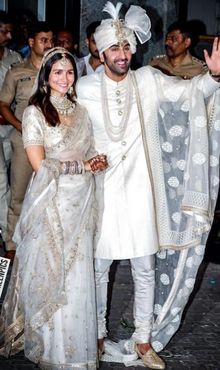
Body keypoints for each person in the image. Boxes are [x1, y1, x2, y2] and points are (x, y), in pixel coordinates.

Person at [76, 2, 220, 369]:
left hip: (141, 193)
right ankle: (97, 335)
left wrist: (212, 78)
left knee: (144, 269)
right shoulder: (83, 88)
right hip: (100, 191)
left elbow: (187, 94)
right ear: (99, 50)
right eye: (114, 48)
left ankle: (144, 341)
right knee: (99, 269)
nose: (122, 54)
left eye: (127, 46)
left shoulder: (147, 79)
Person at [0, 46, 108, 369]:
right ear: (46, 76)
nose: (64, 77)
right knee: (53, 272)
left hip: (81, 202)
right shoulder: (35, 111)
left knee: (77, 272)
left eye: (70, 71)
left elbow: (87, 149)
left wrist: (96, 163)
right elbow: (39, 164)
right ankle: (54, 349)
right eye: (57, 72)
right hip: (52, 201)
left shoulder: (81, 111)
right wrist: (83, 168)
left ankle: (78, 350)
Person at [0, 21, 54, 262]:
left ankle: (44, 240)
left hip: (51, 140)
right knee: (19, 192)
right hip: (23, 140)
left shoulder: (58, 68)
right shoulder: (16, 71)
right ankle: (11, 243)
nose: (49, 44)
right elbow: (3, 104)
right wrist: (19, 125)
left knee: (49, 191)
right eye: (44, 40)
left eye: (51, 40)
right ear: (31, 42)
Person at [0, 11, 22, 245]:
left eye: (10, 31)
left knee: (14, 185)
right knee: (1, 185)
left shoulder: (14, 58)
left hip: (12, 129)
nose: (8, 36)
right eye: (3, 31)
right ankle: (10, 240)